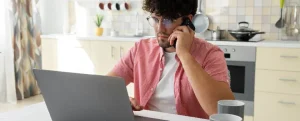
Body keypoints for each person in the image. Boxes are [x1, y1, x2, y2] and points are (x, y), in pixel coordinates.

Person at [107, 0, 235, 119]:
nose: (160, 28)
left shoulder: (210, 54)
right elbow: (104, 87)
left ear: (188, 21)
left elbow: (222, 112)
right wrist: (122, 100)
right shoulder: (140, 49)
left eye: (168, 20)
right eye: (155, 19)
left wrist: (184, 54)